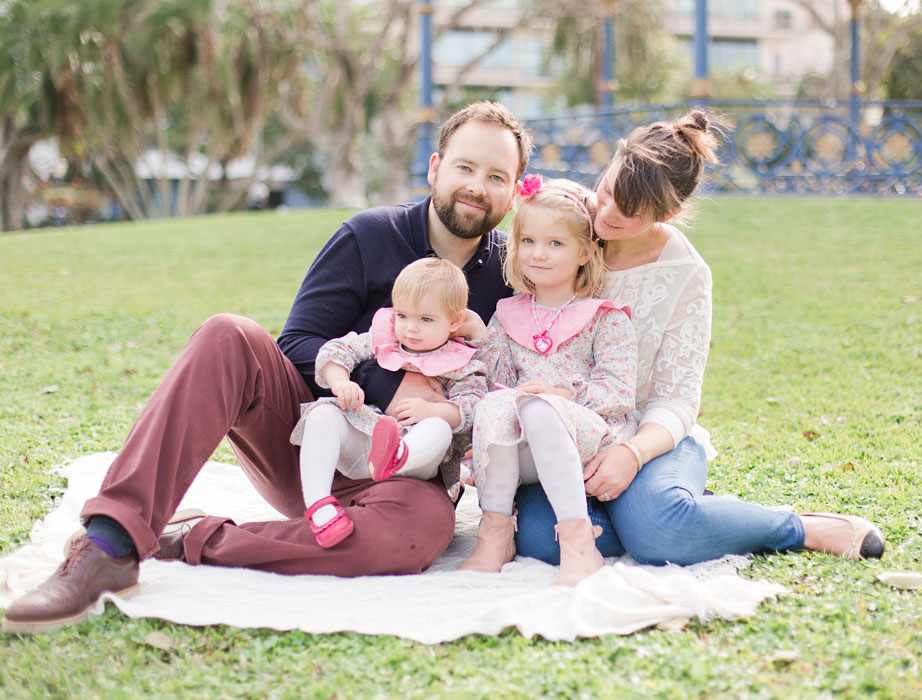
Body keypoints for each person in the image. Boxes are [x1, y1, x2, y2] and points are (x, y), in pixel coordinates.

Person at [1, 101, 532, 635]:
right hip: (310, 446)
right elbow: (296, 342)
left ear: (514, 191)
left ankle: (192, 539)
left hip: (403, 478)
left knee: (419, 532)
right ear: (436, 167)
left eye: (496, 176)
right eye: (465, 167)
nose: (476, 186)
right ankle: (110, 544)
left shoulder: (516, 270)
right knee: (227, 334)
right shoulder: (369, 235)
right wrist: (385, 385)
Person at [512, 110, 886, 566]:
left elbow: (677, 400)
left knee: (658, 533)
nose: (604, 215)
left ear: (667, 214)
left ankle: (797, 527)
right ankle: (669, 513)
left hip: (647, 438)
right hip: (567, 435)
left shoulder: (685, 274)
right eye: (606, 191)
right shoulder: (565, 222)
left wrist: (631, 455)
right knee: (537, 537)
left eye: (628, 213)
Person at [457, 176, 636, 586]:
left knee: (539, 408)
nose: (539, 254)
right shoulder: (506, 314)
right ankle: (495, 534)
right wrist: (483, 341)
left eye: (556, 244)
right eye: (529, 241)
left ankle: (578, 543)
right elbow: (493, 384)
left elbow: (618, 391)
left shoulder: (605, 317)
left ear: (585, 252)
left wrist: (560, 395)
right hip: (524, 448)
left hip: (587, 434)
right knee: (495, 405)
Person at [293, 258, 487, 548]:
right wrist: (340, 381)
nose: (411, 328)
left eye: (426, 319)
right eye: (402, 315)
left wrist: (433, 410)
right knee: (323, 414)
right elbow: (336, 350)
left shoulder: (460, 363)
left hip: (419, 458)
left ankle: (398, 453)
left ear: (455, 322)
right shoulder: (382, 340)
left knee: (440, 427)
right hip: (369, 444)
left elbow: (473, 407)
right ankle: (321, 508)